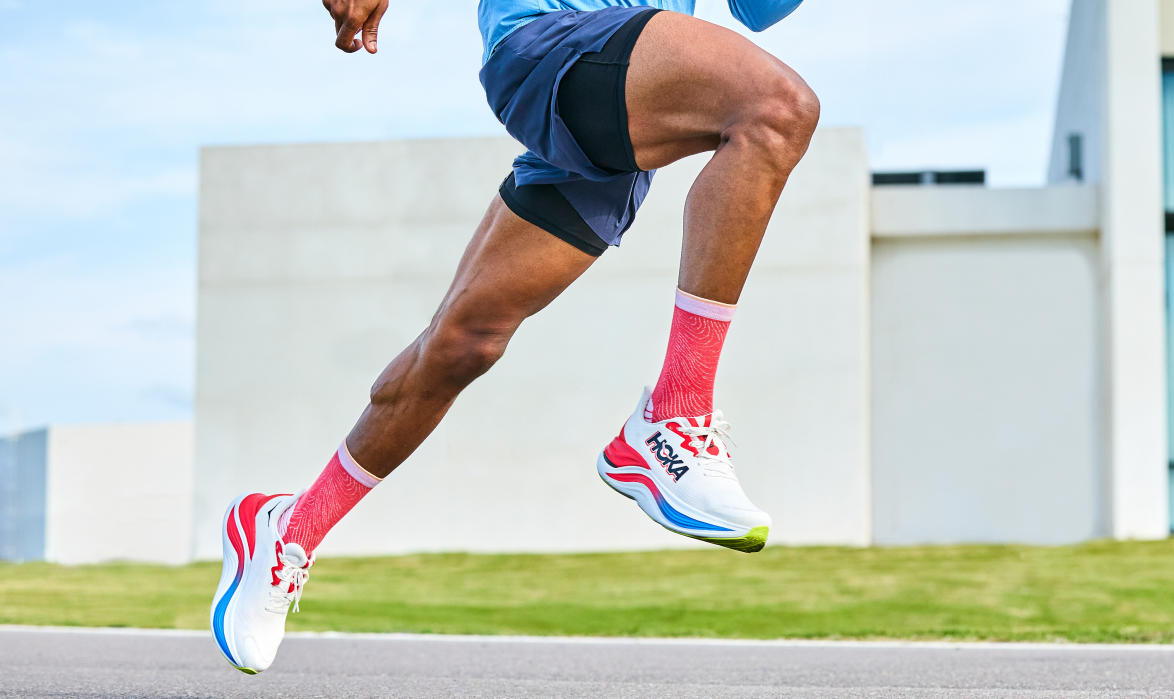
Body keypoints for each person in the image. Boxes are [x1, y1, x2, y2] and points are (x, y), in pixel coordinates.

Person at [210, 0, 816, 674]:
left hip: (617, 117)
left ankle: (285, 529)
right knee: (777, 108)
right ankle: (674, 414)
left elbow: (756, 12)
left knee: (463, 343)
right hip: (554, 44)